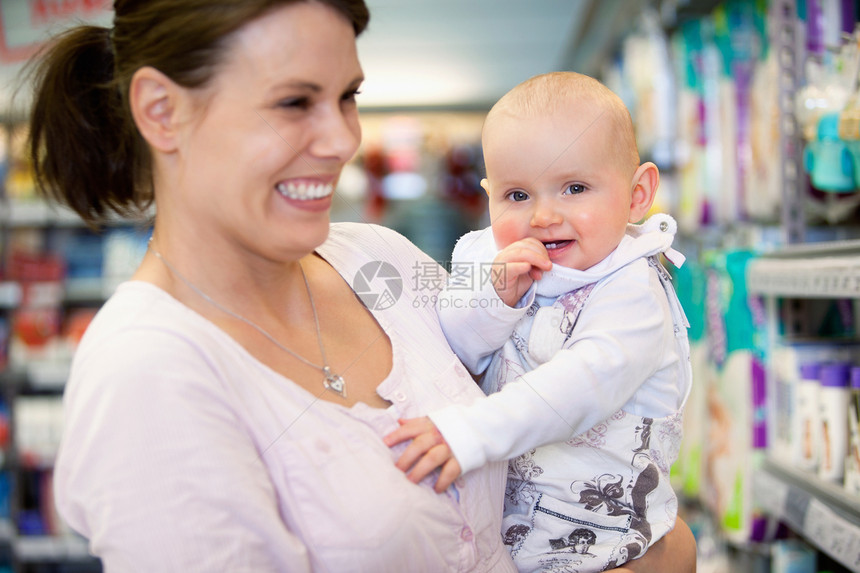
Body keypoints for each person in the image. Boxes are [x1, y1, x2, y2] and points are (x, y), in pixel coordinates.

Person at [25, 1, 696, 570]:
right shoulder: (147, 374)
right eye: (294, 102)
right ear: (162, 111)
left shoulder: (379, 259)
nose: (342, 138)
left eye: (348, 97)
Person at [385, 72, 693, 572]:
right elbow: (454, 352)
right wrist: (497, 300)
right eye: (517, 195)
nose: (544, 215)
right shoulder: (496, 260)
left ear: (637, 195)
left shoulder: (631, 289)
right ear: (489, 195)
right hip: (505, 534)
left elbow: (580, 387)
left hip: (601, 541)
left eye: (574, 188)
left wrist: (469, 433)